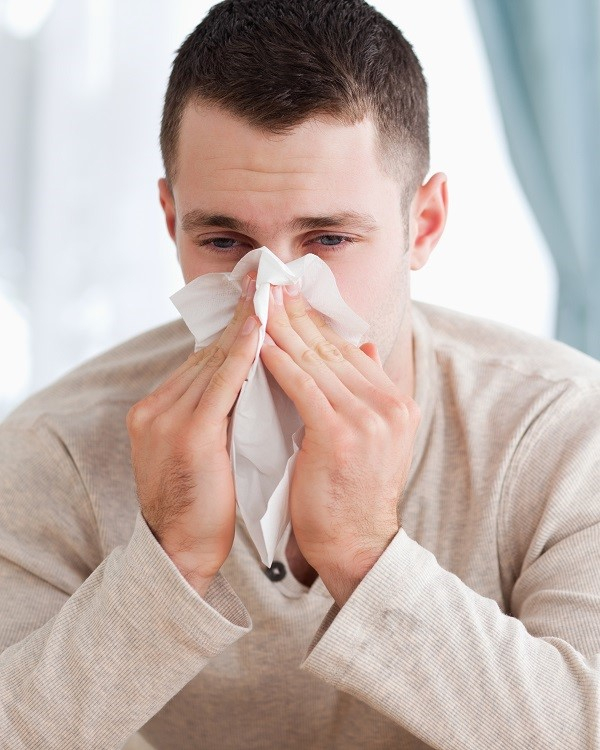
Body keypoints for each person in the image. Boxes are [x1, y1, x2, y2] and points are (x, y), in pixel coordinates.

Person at [1, 0, 599, 748]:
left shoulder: (568, 431)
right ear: (170, 219)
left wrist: (364, 553)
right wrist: (171, 561)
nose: (270, 293)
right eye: (223, 240)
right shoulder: (51, 449)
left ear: (426, 225)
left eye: (328, 238)